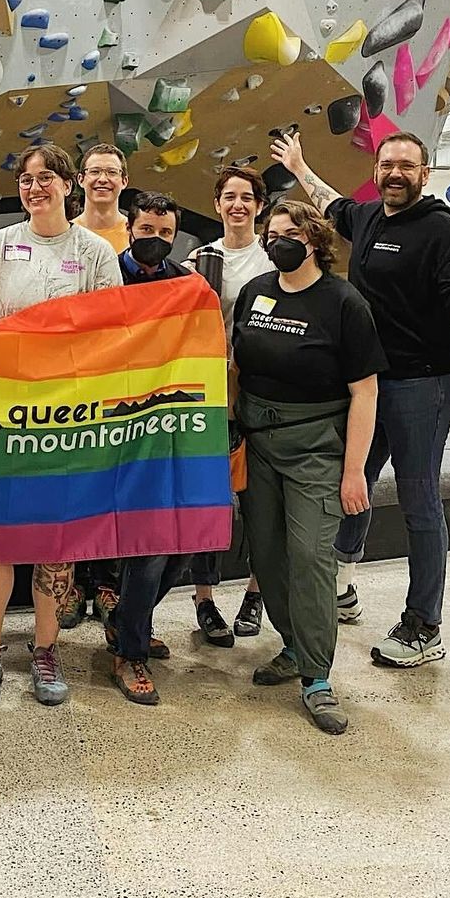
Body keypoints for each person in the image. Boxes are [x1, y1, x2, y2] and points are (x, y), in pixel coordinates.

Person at [272, 128, 450, 669]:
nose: (396, 173)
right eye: (387, 163)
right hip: (370, 383)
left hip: (423, 384)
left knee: (419, 500)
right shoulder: (372, 216)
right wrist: (301, 168)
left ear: (425, 173)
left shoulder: (438, 229)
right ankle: (343, 584)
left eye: (407, 166)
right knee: (354, 480)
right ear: (377, 169)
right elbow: (335, 205)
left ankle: (424, 624)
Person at [0, 143, 120, 706]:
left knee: (56, 541)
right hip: (4, 412)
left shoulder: (96, 252)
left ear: (69, 184)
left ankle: (46, 650)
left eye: (46, 177)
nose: (34, 187)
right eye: (26, 179)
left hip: (68, 416)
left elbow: (106, 336)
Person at [234, 200, 384, 734]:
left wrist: (354, 472)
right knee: (268, 554)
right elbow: (237, 367)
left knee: (311, 556)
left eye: (291, 232)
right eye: (271, 234)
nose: (280, 242)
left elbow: (365, 392)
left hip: (318, 448)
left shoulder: (343, 303)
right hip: (259, 445)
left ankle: (318, 677)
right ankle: (293, 646)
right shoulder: (255, 293)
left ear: (315, 238)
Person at [107, 191, 194, 704]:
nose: (154, 240)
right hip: (111, 428)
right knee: (149, 542)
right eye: (146, 229)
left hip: (170, 427)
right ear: (129, 227)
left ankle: (124, 622)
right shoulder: (103, 277)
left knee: (186, 538)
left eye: (165, 233)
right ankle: (131, 651)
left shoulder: (185, 284)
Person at [184, 165, 270, 647]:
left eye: (247, 197)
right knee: (211, 501)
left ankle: (255, 594)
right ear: (217, 204)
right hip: (212, 396)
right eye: (229, 196)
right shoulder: (200, 259)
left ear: (259, 204)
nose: (238, 205)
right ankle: (204, 598)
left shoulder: (272, 259)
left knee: (259, 502)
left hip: (260, 393)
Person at [66, 143, 132, 627]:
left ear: (123, 181)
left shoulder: (140, 233)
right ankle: (67, 582)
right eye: (95, 172)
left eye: (112, 172)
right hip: (68, 378)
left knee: (110, 483)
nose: (103, 179)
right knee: (70, 483)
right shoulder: (64, 235)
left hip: (116, 375)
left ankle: (106, 581)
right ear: (81, 180)